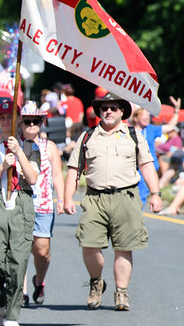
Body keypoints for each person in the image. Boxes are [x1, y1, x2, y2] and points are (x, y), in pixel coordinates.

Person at [64, 94, 162, 311]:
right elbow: (73, 170)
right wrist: (67, 198)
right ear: (99, 112)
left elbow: (146, 165)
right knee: (89, 245)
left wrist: (155, 194)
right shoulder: (88, 136)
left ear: (121, 112)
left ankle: (121, 293)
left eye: (114, 108)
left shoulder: (133, 135)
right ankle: (96, 282)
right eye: (104, 108)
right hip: (94, 197)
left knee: (124, 248)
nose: (108, 111)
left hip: (125, 197)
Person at [0, 100, 39, 326]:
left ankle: (12, 313)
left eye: (10, 117)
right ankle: (0, 298)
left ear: (19, 121)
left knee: (18, 260)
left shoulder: (31, 147)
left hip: (21, 201)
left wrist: (18, 151)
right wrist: (2, 166)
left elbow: (32, 178)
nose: (6, 121)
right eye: (2, 117)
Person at [17, 103, 65, 307]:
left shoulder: (49, 147)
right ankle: (23, 292)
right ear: (20, 123)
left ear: (40, 123)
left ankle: (39, 281)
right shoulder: (14, 145)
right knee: (20, 249)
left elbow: (56, 174)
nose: (30, 125)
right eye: (26, 121)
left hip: (44, 205)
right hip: (19, 204)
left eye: (35, 121)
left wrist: (62, 199)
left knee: (42, 250)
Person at [131, 96, 180, 204]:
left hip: (147, 166)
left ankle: (137, 217)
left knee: (141, 197)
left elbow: (170, 126)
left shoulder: (151, 129)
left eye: (148, 115)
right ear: (135, 118)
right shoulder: (127, 130)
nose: (147, 117)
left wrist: (176, 111)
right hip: (131, 167)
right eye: (144, 115)